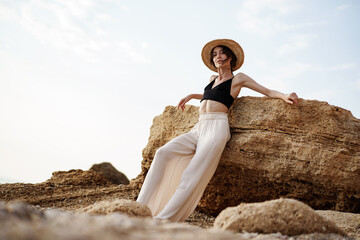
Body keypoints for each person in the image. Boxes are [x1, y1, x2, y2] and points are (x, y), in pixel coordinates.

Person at [136, 39, 299, 222]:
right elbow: (211, 95)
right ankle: (139, 208)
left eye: (221, 53)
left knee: (192, 175)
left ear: (230, 57)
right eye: (214, 54)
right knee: (162, 153)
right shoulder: (212, 79)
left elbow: (267, 91)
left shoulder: (239, 79)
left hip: (216, 129)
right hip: (199, 127)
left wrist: (285, 96)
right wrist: (191, 95)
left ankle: (163, 219)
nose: (218, 57)